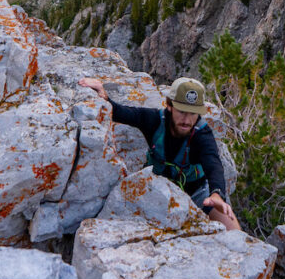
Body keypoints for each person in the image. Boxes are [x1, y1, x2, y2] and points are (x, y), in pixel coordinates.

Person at [78, 75, 241, 231]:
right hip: (156, 188)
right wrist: (103, 96)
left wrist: (217, 194)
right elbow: (121, 112)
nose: (187, 120)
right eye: (182, 111)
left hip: (196, 192)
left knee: (234, 230)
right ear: (169, 105)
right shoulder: (155, 120)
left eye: (193, 113)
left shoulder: (202, 135)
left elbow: (213, 164)